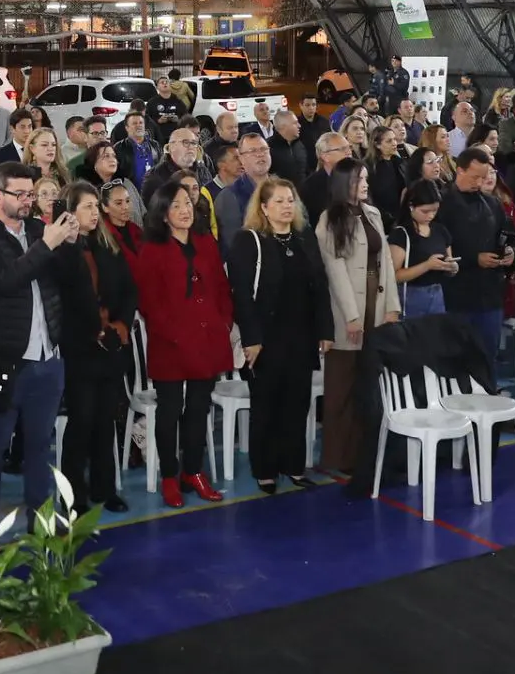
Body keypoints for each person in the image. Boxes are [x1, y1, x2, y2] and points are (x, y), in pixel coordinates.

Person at [0, 163, 75, 524]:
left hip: (48, 356)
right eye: (21, 194)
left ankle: (41, 523)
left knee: (40, 447)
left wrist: (69, 246)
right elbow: (5, 280)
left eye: (32, 194)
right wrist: (47, 246)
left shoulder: (39, 230)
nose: (29, 201)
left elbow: (62, 281)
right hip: (9, 360)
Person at [128, 178, 234, 508]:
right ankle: (170, 476)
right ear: (162, 213)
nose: (184, 210)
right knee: (170, 411)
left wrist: (223, 322)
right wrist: (176, 334)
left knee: (199, 409)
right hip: (170, 343)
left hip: (207, 338)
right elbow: (149, 302)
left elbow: (220, 287)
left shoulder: (206, 242)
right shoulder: (152, 249)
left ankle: (193, 471)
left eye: (187, 203)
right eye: (175, 205)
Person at [227, 177, 329, 493]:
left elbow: (320, 287)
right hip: (266, 339)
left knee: (297, 404)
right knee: (267, 405)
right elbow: (241, 294)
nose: (287, 207)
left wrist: (325, 330)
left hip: (301, 335)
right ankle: (266, 469)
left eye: (290, 200)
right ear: (264, 207)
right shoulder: (248, 240)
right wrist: (252, 339)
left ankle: (294, 465)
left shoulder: (305, 237)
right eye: (280, 201)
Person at [52, 181, 133, 513]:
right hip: (80, 345)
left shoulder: (108, 245)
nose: (94, 213)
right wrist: (94, 331)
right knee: (81, 421)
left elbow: (129, 290)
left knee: (106, 419)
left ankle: (105, 488)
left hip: (111, 344)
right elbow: (66, 299)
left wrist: (120, 327)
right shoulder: (63, 251)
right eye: (86, 207)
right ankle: (74, 496)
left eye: (94, 207)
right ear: (70, 212)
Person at [314, 159, 400, 473]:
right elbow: (335, 272)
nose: (365, 184)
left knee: (368, 387)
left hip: (375, 308)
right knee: (341, 390)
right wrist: (352, 316)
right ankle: (337, 457)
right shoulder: (329, 219)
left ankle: (364, 453)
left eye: (365, 178)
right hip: (346, 313)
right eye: (358, 179)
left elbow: (387, 265)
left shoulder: (373, 213)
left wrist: (392, 305)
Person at [437, 149, 515, 367]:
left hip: (490, 293)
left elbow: (509, 236)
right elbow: (436, 249)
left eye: (483, 177)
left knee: (487, 356)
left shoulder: (492, 204)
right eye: (475, 177)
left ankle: (488, 395)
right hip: (457, 294)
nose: (480, 182)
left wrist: (510, 251)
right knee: (457, 359)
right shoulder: (442, 205)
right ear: (459, 171)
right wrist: (473, 259)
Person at [389, 179, 455, 318]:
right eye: (425, 211)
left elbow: (449, 259)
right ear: (411, 206)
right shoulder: (402, 233)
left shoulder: (440, 230)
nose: (430, 215)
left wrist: (451, 267)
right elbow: (393, 276)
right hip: (411, 296)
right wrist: (427, 265)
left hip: (437, 294)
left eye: (435, 210)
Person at [298, 132, 350, 220]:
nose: (349, 152)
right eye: (343, 149)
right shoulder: (310, 187)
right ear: (326, 156)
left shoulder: (357, 177)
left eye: (349, 148)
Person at [267, 109, 308, 186]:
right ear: (283, 126)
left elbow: (305, 171)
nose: (299, 125)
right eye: (295, 123)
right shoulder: (267, 147)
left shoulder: (300, 145)